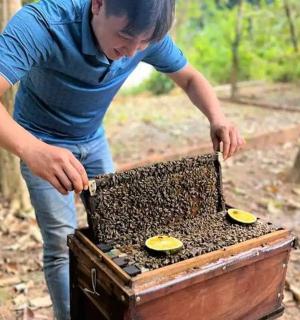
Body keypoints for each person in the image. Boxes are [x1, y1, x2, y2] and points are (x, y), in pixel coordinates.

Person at [0, 0, 244, 319]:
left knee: (118, 230)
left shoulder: (144, 36)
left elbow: (189, 78)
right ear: (98, 4)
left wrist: (218, 118)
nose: (132, 52)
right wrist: (32, 150)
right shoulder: (43, 24)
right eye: (125, 37)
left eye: (144, 43)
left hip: (93, 137)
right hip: (39, 139)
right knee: (62, 245)